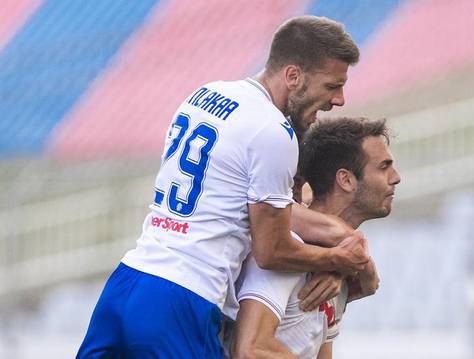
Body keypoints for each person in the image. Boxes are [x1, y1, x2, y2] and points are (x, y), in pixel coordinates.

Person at [78, 16, 367, 358]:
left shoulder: (206, 94)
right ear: (293, 76)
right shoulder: (273, 132)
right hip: (183, 297)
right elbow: (271, 250)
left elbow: (271, 213)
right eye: (332, 85)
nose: (340, 99)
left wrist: (345, 249)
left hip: (128, 280)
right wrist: (337, 258)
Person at [231, 117, 401, 359]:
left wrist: (350, 265)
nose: (396, 177)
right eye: (384, 167)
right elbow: (250, 350)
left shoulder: (338, 271)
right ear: (346, 180)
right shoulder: (289, 252)